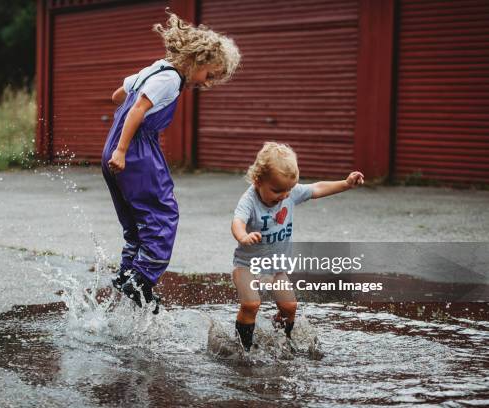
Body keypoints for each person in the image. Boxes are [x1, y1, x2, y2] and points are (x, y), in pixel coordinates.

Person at [102, 11, 241, 310]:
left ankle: (129, 271)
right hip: (135, 150)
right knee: (163, 213)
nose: (207, 83)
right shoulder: (170, 79)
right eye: (209, 75)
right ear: (197, 60)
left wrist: (116, 146)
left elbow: (120, 95)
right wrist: (123, 150)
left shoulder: (155, 69)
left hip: (114, 146)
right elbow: (138, 108)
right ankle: (140, 279)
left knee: (137, 220)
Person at [231, 142, 364, 351]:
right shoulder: (249, 200)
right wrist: (243, 236)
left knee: (289, 307)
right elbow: (237, 221)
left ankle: (279, 341)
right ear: (258, 181)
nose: (284, 196)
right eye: (277, 190)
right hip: (247, 266)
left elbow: (317, 188)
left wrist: (346, 183)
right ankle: (242, 350)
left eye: (289, 190)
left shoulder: (288, 193)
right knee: (251, 305)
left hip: (276, 269)